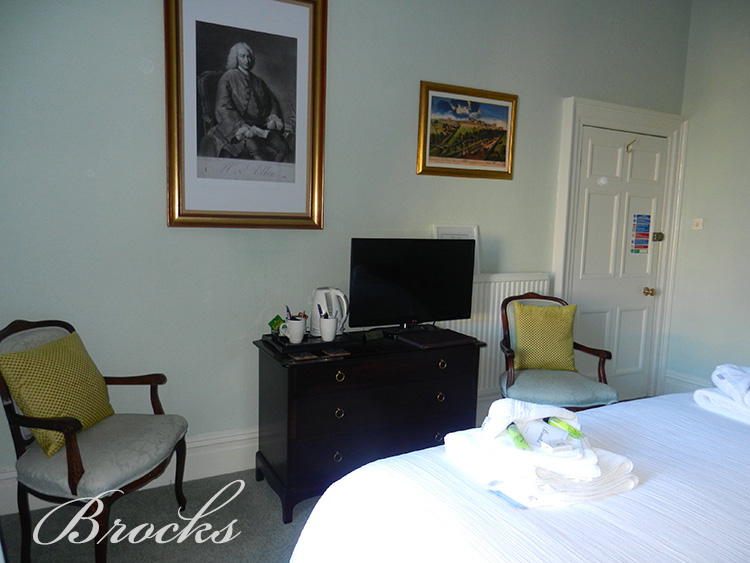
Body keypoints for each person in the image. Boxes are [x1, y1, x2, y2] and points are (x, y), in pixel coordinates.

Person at [199, 42, 291, 162]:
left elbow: (273, 101)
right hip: (234, 127)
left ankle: (273, 173)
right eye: (242, 56)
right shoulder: (228, 77)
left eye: (249, 57)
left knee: (283, 148)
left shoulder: (258, 80)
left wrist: (273, 117)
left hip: (259, 128)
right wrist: (242, 127)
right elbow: (223, 107)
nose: (247, 60)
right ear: (235, 58)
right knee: (254, 147)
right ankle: (261, 173)